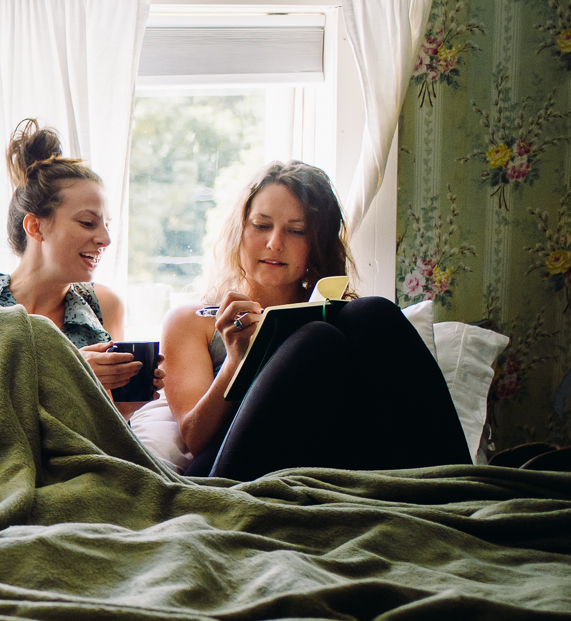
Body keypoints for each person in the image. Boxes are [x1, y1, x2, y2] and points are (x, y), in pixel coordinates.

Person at [161, 162, 469, 479]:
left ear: (317, 243)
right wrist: (237, 360)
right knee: (318, 340)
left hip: (333, 461)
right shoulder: (193, 319)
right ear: (241, 230)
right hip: (234, 470)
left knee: (371, 312)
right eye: (261, 225)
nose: (275, 243)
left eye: (296, 231)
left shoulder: (346, 320)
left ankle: (463, 488)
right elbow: (195, 439)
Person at [0, 119, 163, 418]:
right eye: (88, 222)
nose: (105, 239)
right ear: (35, 226)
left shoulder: (104, 306)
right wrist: (68, 374)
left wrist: (129, 401)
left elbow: (111, 422)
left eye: (106, 225)